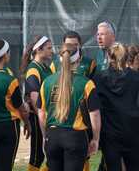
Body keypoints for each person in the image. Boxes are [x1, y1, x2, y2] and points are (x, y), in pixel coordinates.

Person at [37, 43, 101, 171]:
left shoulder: (47, 82)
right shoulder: (86, 83)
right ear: (78, 60)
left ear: (60, 60)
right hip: (75, 137)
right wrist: (95, 138)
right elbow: (94, 114)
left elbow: (42, 114)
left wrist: (45, 136)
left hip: (52, 136)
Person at [0, 39, 31, 171]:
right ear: (5, 55)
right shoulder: (9, 80)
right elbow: (20, 108)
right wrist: (27, 123)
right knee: (5, 166)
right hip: (7, 126)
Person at [93, 43, 139, 171]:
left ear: (108, 56)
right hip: (132, 132)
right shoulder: (135, 77)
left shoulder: (99, 77)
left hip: (110, 133)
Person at [20, 36, 53, 171]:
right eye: (49, 48)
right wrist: (42, 118)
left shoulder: (46, 68)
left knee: (50, 154)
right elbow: (34, 98)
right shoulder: (34, 69)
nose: (52, 51)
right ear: (39, 50)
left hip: (47, 115)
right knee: (37, 155)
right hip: (38, 116)